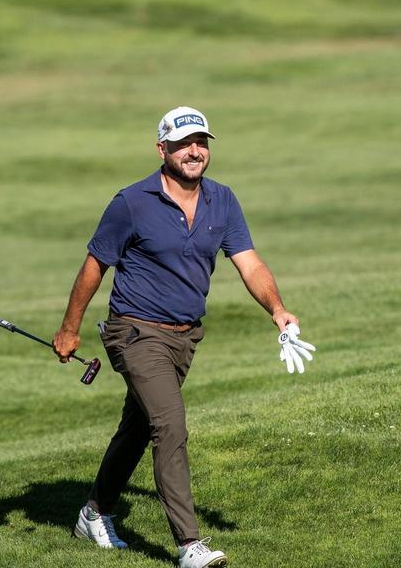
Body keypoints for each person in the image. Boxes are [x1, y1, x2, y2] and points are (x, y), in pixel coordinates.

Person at [52, 106, 309, 568]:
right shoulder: (131, 202)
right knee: (169, 425)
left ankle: (92, 513)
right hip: (134, 332)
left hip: (184, 338)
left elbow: (249, 263)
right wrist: (70, 328)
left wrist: (278, 309)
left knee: (136, 428)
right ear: (162, 149)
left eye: (202, 143)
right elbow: (94, 266)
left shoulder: (223, 200)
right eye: (183, 143)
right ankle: (189, 545)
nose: (194, 151)